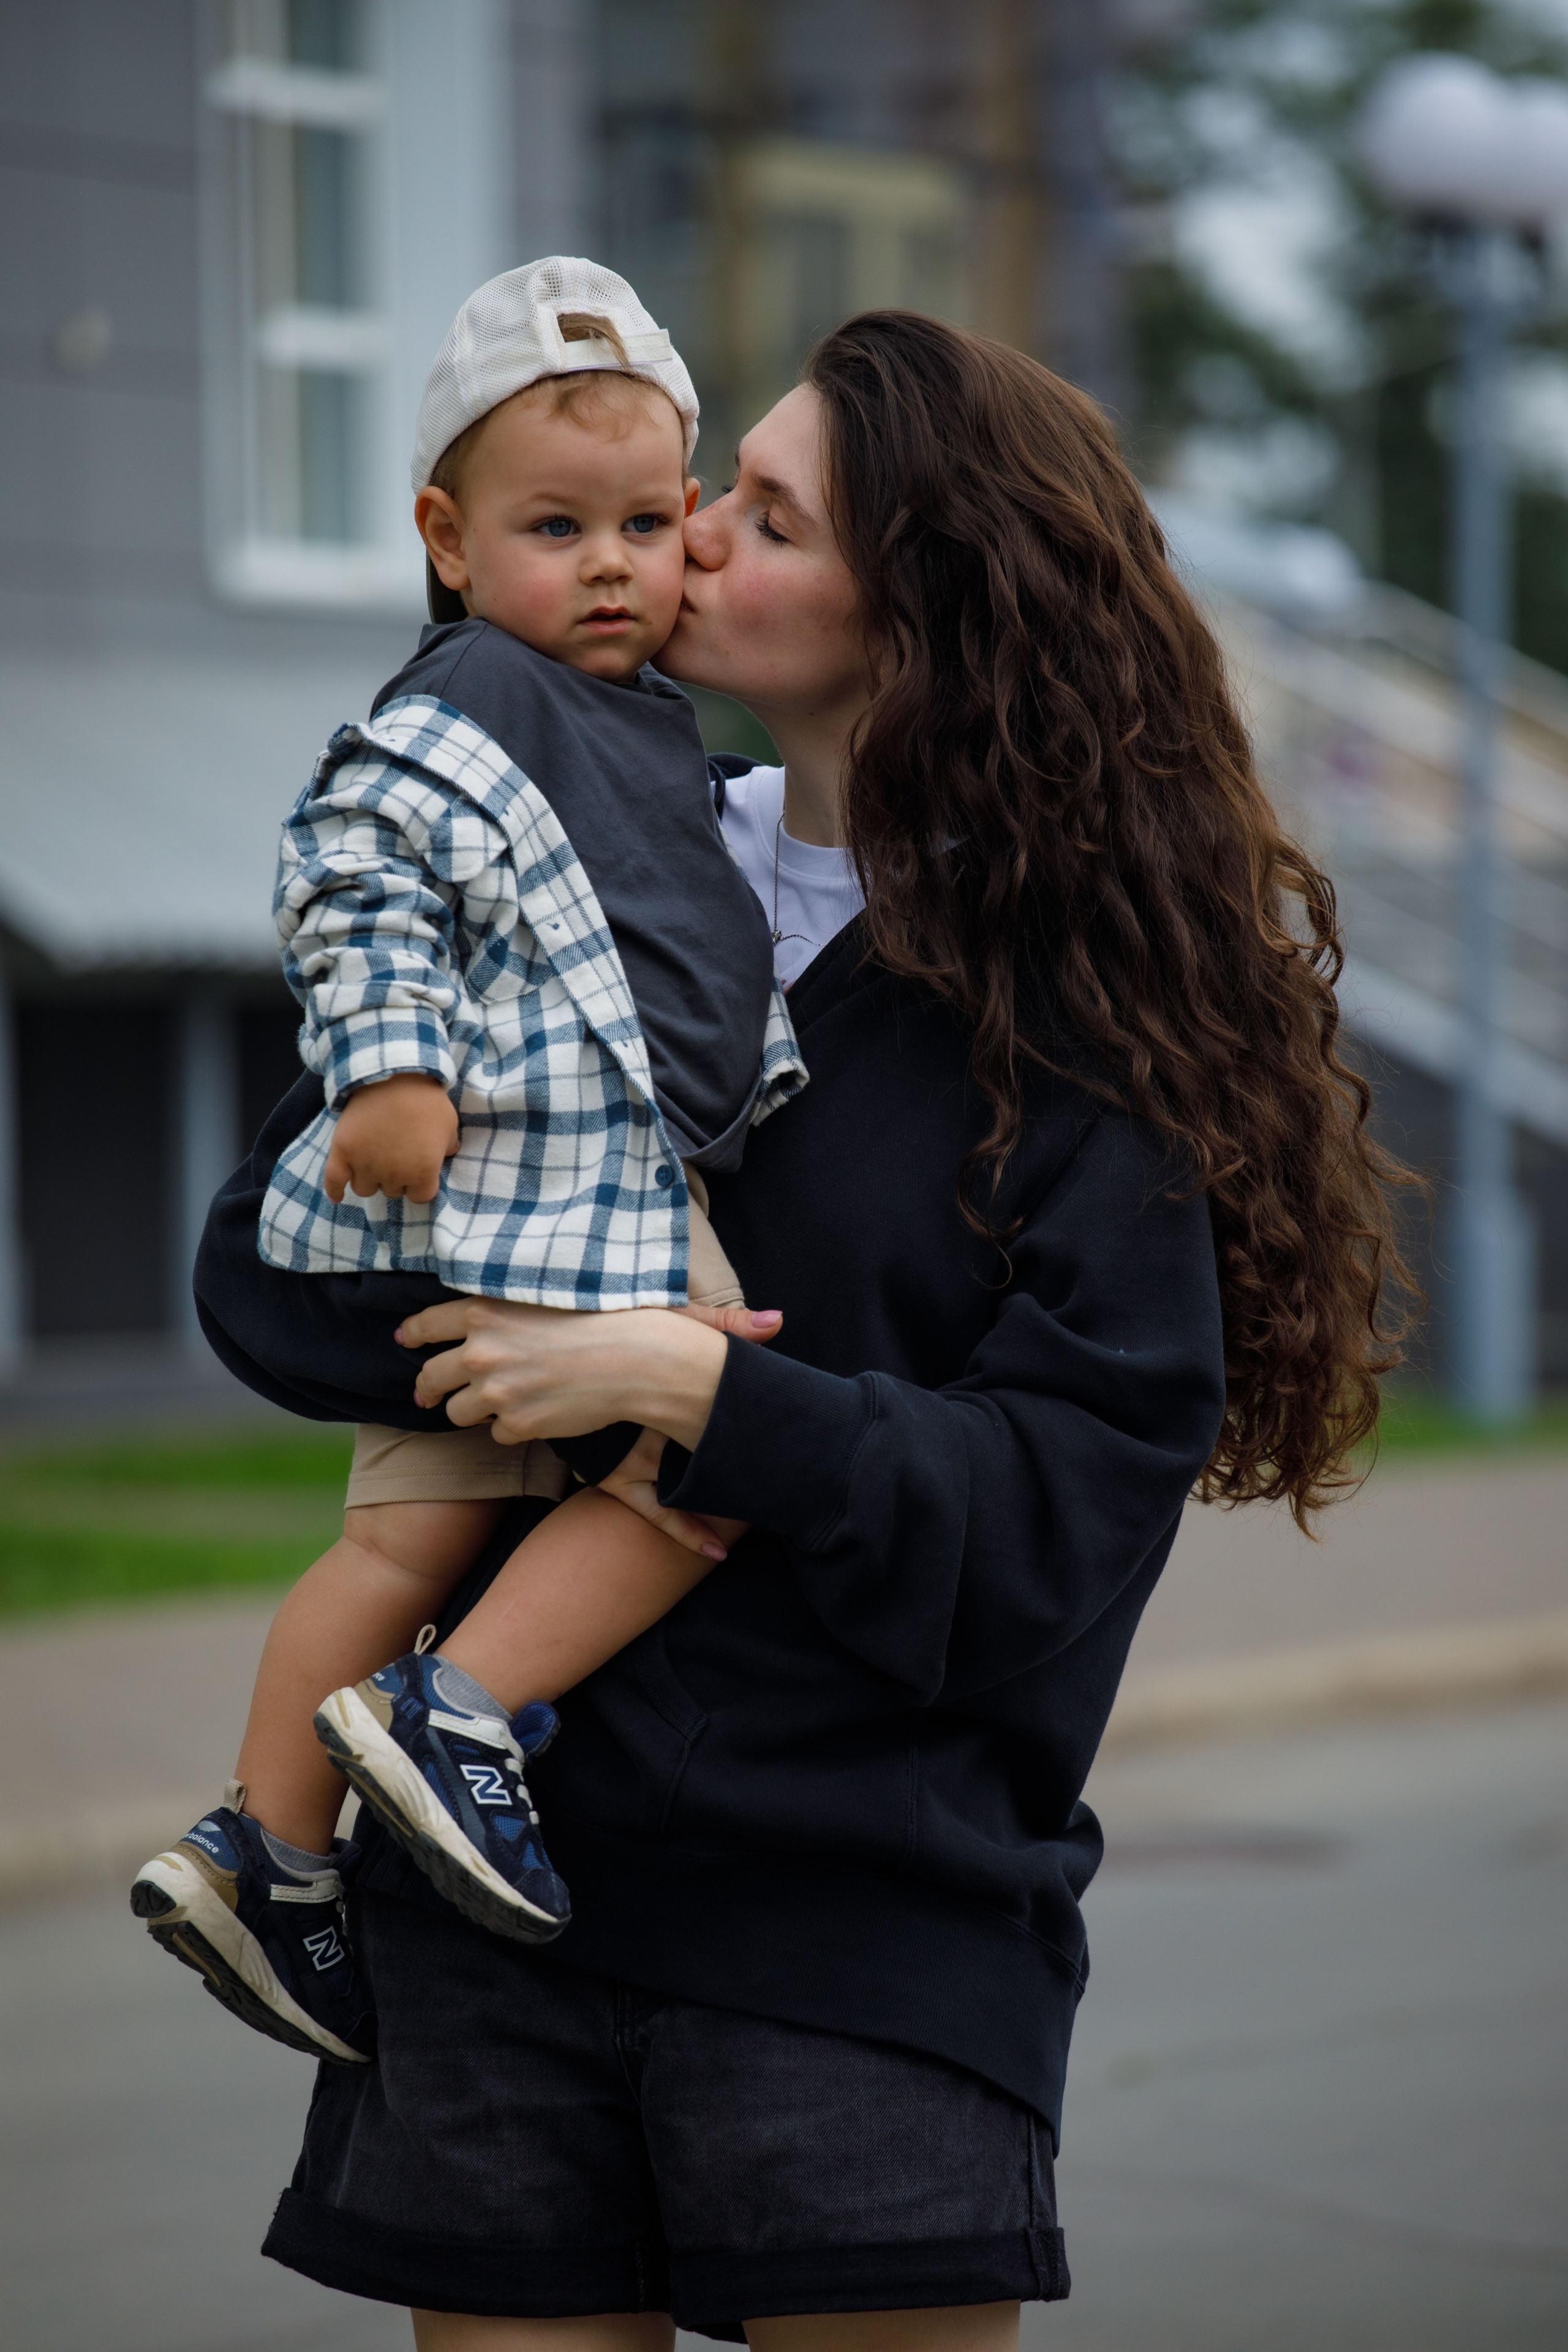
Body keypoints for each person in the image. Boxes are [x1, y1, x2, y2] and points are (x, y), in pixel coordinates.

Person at [265, 310, 1412, 2351]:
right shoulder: (566, 857)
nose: (686, 534)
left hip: (866, 1952)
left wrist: (704, 1391)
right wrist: (476, 1292)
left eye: (768, 517)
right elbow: (271, 1263)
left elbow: (1060, 1509)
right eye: (721, 487)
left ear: (930, 619)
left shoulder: (1090, 1012)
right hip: (485, 1921)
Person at [129, 257, 806, 2064]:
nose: (613, 567)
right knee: (714, 1463)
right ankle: (462, 1715)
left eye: (647, 524)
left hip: (530, 1205)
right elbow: (352, 864)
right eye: (553, 527)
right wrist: (391, 1068)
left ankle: (267, 1854)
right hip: (565, 1196)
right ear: (446, 539)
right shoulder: (475, 694)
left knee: (408, 1533)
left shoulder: (637, 719)